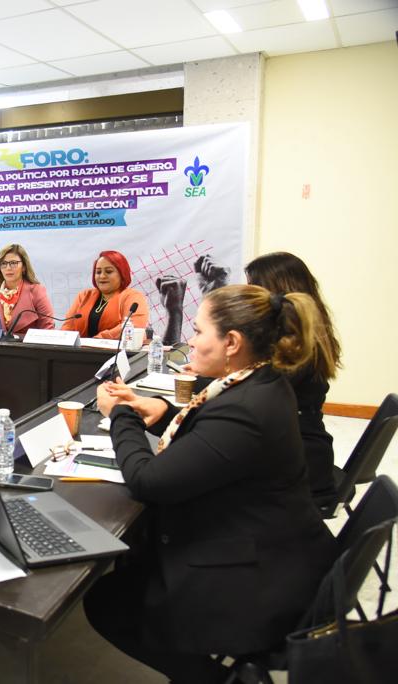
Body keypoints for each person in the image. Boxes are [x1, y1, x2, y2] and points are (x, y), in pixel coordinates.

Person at [84, 284, 336, 683]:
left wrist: (121, 415)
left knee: (106, 603)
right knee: (134, 561)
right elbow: (213, 441)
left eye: (199, 331)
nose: (191, 340)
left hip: (257, 580)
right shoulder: (260, 382)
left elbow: (148, 482)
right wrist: (163, 412)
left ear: (232, 342)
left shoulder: (246, 409)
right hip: (274, 548)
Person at [245, 252, 342, 507]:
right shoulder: (310, 331)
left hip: (300, 465)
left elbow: (254, 394)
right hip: (304, 446)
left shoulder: (295, 346)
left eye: (253, 287)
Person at [61, 250, 148, 339]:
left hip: (116, 348)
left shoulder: (133, 297)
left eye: (109, 271)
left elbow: (133, 326)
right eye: (98, 272)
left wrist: (97, 340)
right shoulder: (84, 296)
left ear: (122, 273)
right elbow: (67, 328)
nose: (102, 276)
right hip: (81, 347)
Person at [0, 244, 55, 337]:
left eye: (13, 263)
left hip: (28, 345)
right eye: (3, 263)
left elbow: (48, 328)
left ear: (24, 267)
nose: (8, 268)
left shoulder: (36, 290)